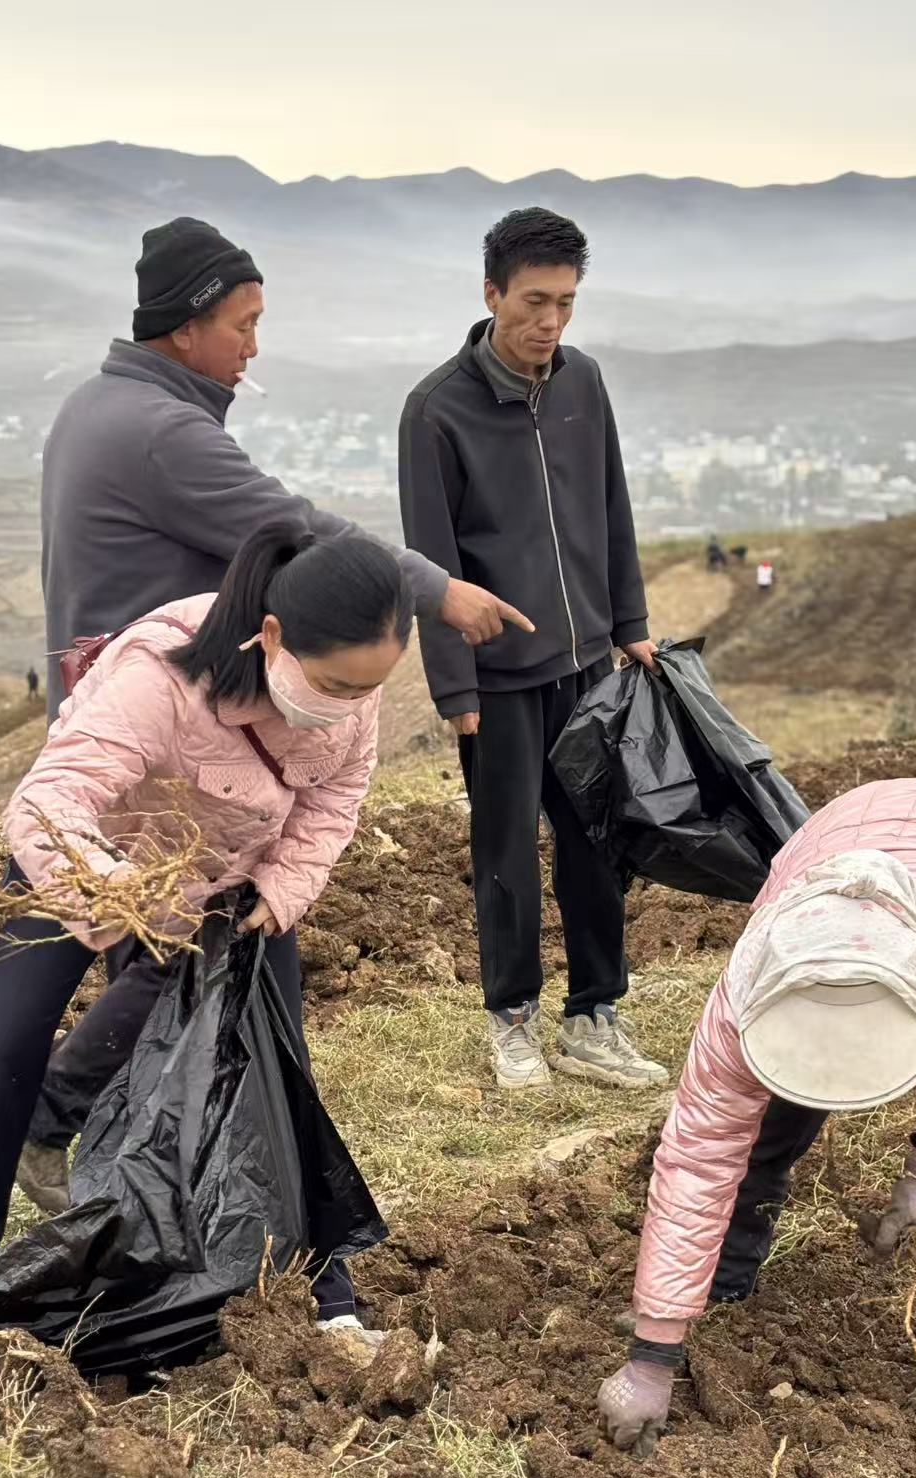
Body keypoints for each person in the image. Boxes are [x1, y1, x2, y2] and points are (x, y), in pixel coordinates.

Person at [19, 215, 531, 1213]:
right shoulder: (164, 432)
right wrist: (437, 592)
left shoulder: (105, 404)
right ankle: (79, 1140)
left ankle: (134, 1167)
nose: (255, 344)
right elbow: (299, 530)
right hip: (165, 730)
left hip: (142, 722)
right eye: (245, 323)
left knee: (176, 954)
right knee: (177, 944)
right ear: (188, 324)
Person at [0, 524, 412, 1392]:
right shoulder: (158, 672)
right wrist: (116, 892)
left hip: (231, 889)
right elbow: (51, 801)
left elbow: (334, 801)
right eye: (333, 685)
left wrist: (278, 894)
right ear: (276, 637)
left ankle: (306, 1290)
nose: (348, 705)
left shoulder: (349, 697)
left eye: (367, 689)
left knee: (267, 1074)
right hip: (81, 863)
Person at [597, 778, 916, 1453]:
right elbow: (699, 1163)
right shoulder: (748, 999)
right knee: (760, 1139)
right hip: (838, 838)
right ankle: (724, 1290)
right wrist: (653, 1356)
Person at [398, 206, 668, 1095]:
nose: (550, 323)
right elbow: (430, 555)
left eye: (566, 303)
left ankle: (595, 1016)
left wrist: (629, 624)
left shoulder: (584, 383)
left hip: (590, 661)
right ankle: (512, 1020)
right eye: (534, 302)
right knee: (505, 853)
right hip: (502, 681)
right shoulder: (437, 410)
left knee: (597, 844)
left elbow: (612, 506)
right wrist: (454, 688)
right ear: (491, 294)